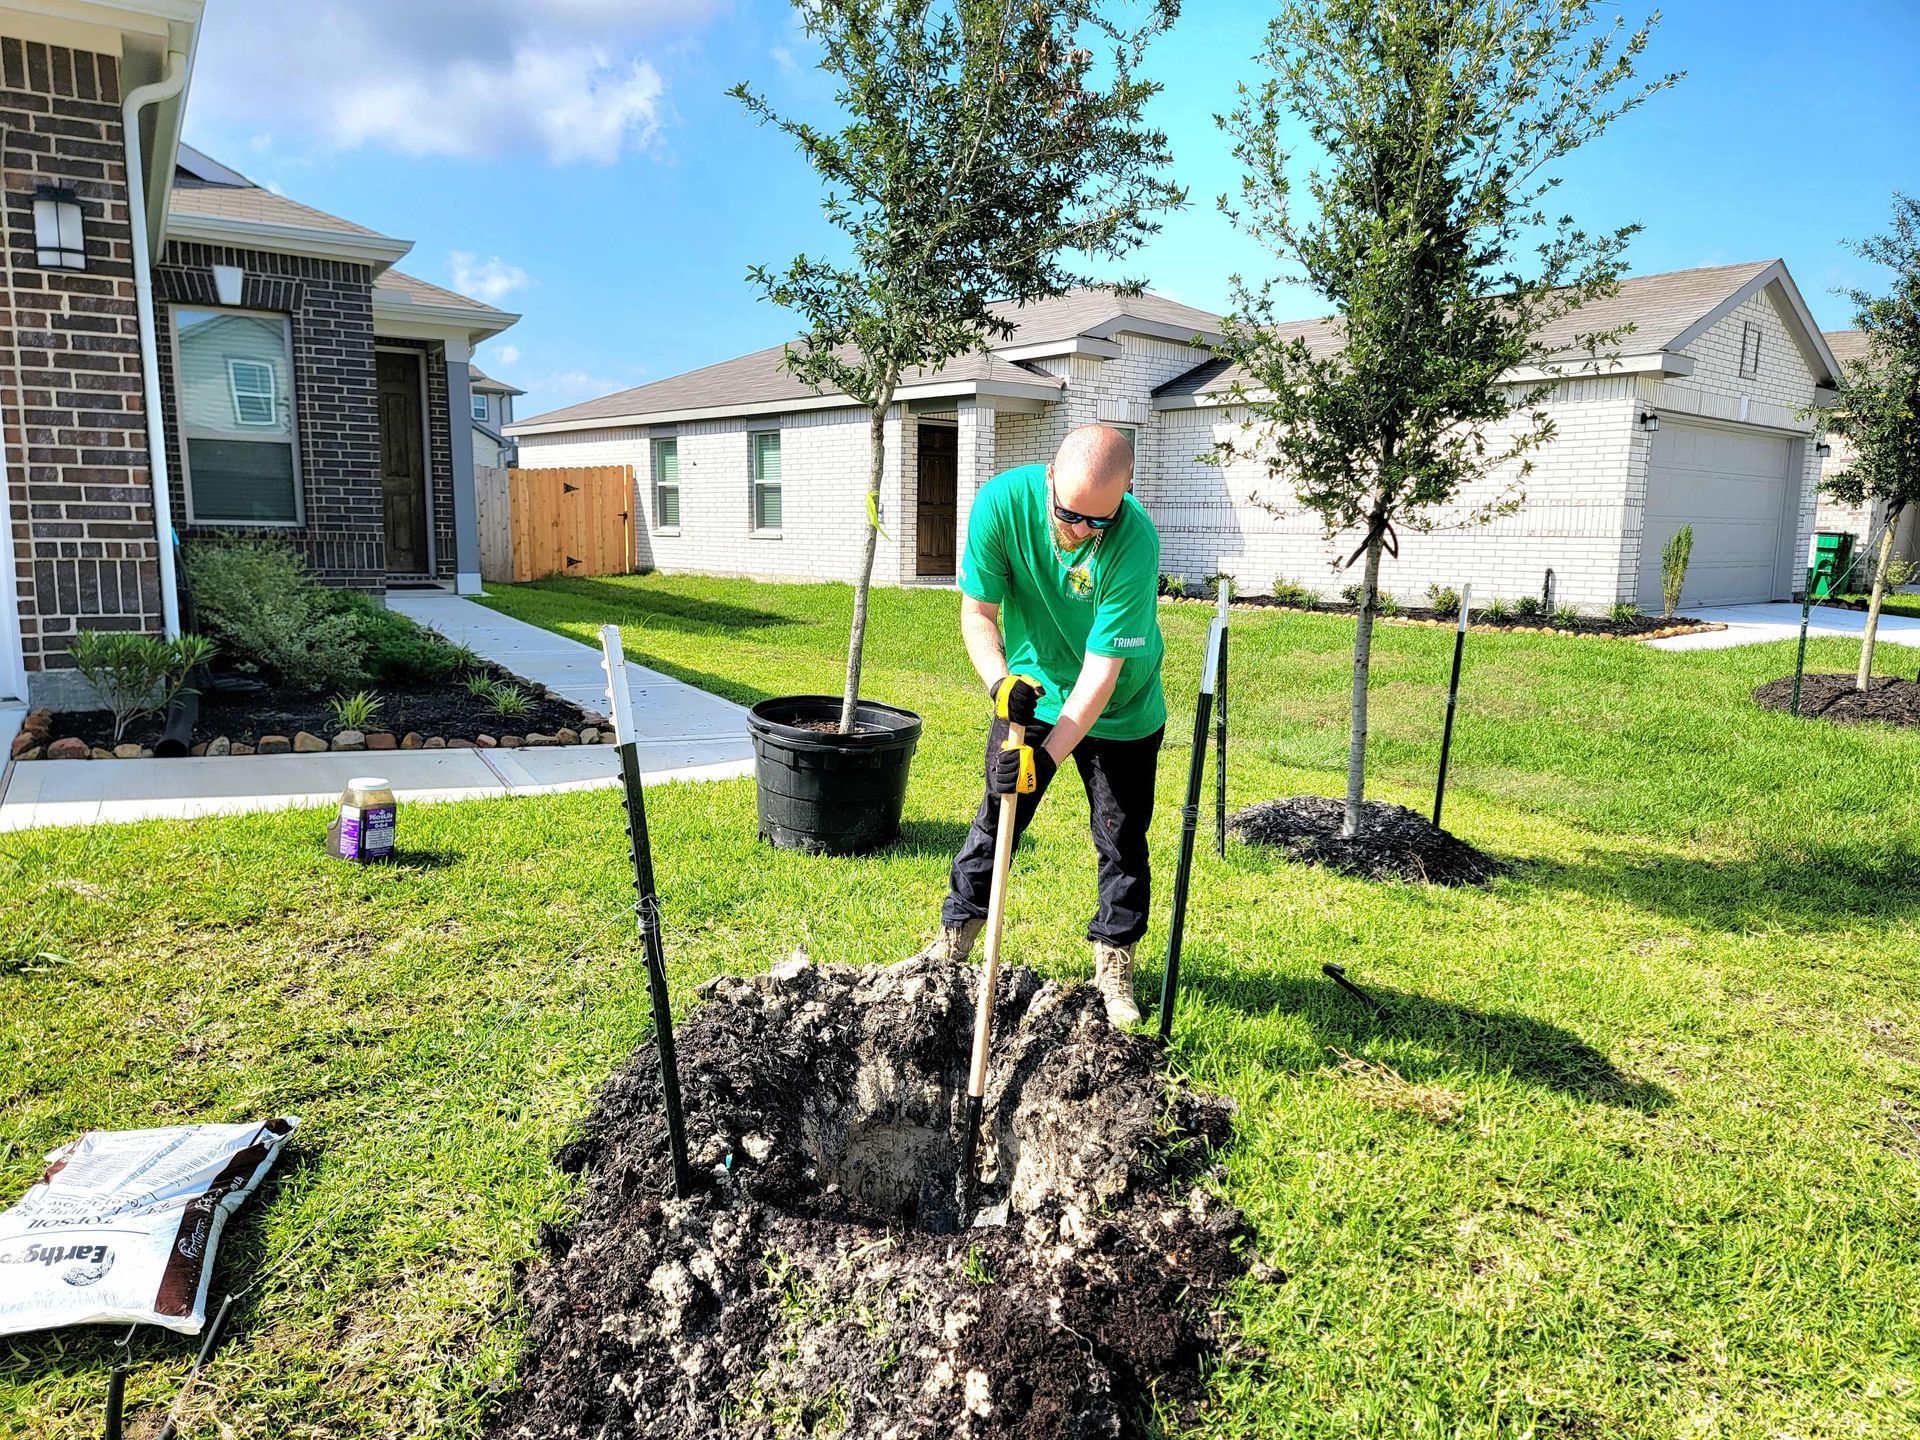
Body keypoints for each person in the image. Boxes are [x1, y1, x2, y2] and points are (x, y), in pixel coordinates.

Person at [911, 423, 1166, 1026]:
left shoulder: (1133, 540)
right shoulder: (1001, 504)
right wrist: (1002, 685)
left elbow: (1101, 675)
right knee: (999, 814)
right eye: (1071, 514)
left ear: (1124, 499)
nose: (1083, 533)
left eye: (1099, 521)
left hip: (1121, 707)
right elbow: (978, 614)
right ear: (1049, 478)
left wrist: (1045, 760)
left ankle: (1114, 958)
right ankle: (956, 938)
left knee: (1121, 837)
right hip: (1029, 692)